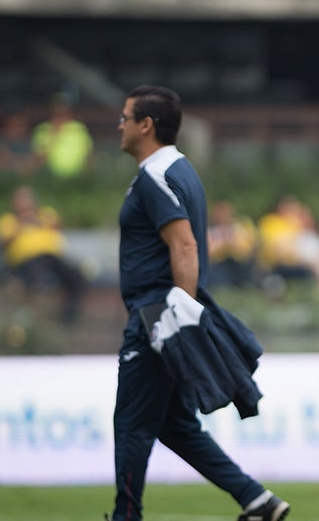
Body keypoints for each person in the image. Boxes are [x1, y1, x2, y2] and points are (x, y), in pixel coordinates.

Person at [111, 85, 288, 521]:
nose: (120, 124)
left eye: (125, 117)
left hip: (156, 315)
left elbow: (185, 247)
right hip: (163, 311)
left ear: (146, 125)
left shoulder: (156, 174)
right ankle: (256, 500)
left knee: (132, 424)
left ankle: (125, 515)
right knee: (174, 424)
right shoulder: (181, 170)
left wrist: (177, 317)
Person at [0, 185, 86, 323]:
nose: (25, 204)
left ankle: (68, 314)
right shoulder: (8, 221)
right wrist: (21, 225)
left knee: (76, 276)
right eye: (21, 201)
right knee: (40, 280)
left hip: (53, 257)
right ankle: (41, 310)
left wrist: (37, 220)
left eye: (27, 199)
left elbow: (59, 225)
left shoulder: (45, 214)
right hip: (26, 261)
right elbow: (3, 243)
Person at [31, 92, 94, 179]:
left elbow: (88, 154)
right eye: (57, 113)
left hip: (77, 177)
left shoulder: (78, 128)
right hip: (50, 178)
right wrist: (54, 135)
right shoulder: (43, 129)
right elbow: (38, 159)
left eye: (63, 112)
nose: (60, 117)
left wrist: (86, 176)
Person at [207, 199, 258, 288]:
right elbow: (208, 254)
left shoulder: (238, 229)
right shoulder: (209, 231)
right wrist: (223, 246)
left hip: (237, 265)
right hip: (218, 266)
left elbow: (246, 253)